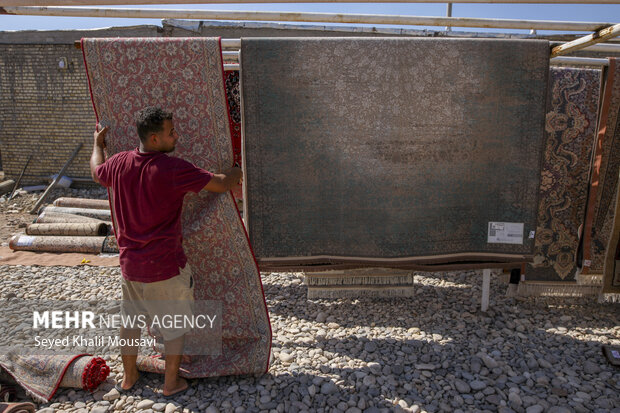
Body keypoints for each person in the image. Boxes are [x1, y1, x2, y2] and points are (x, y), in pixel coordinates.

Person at [90, 106, 242, 397]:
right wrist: (237, 171)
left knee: (130, 321)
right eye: (171, 132)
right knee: (175, 325)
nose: (177, 136)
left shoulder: (119, 163)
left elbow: (97, 171)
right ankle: (171, 383)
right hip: (166, 267)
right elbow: (221, 184)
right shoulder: (173, 169)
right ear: (155, 139)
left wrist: (97, 145)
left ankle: (129, 376)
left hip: (130, 267)